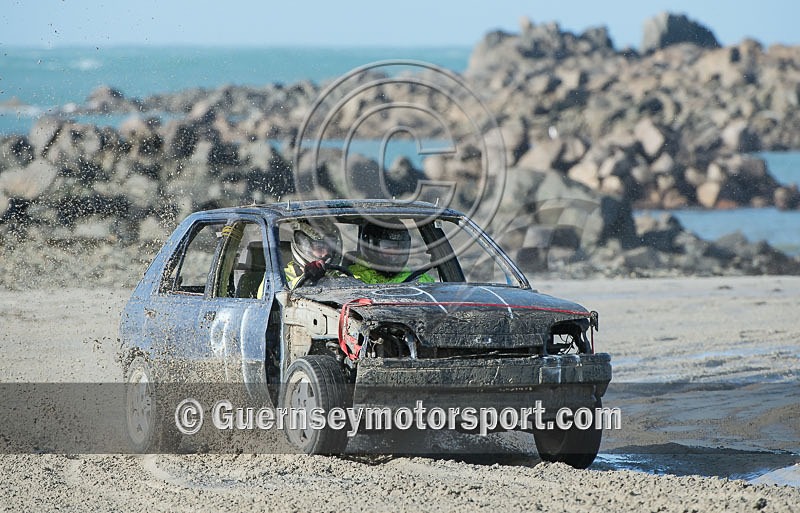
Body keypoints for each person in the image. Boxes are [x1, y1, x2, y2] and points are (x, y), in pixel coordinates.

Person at [348, 221, 434, 284]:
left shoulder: (419, 280)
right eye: (387, 247)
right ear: (370, 247)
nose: (394, 252)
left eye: (399, 247)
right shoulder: (350, 278)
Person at [284, 219, 343, 288]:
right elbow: (282, 293)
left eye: (329, 247)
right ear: (303, 247)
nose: (326, 253)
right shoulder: (282, 276)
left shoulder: (343, 272)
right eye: (319, 247)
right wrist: (308, 279)